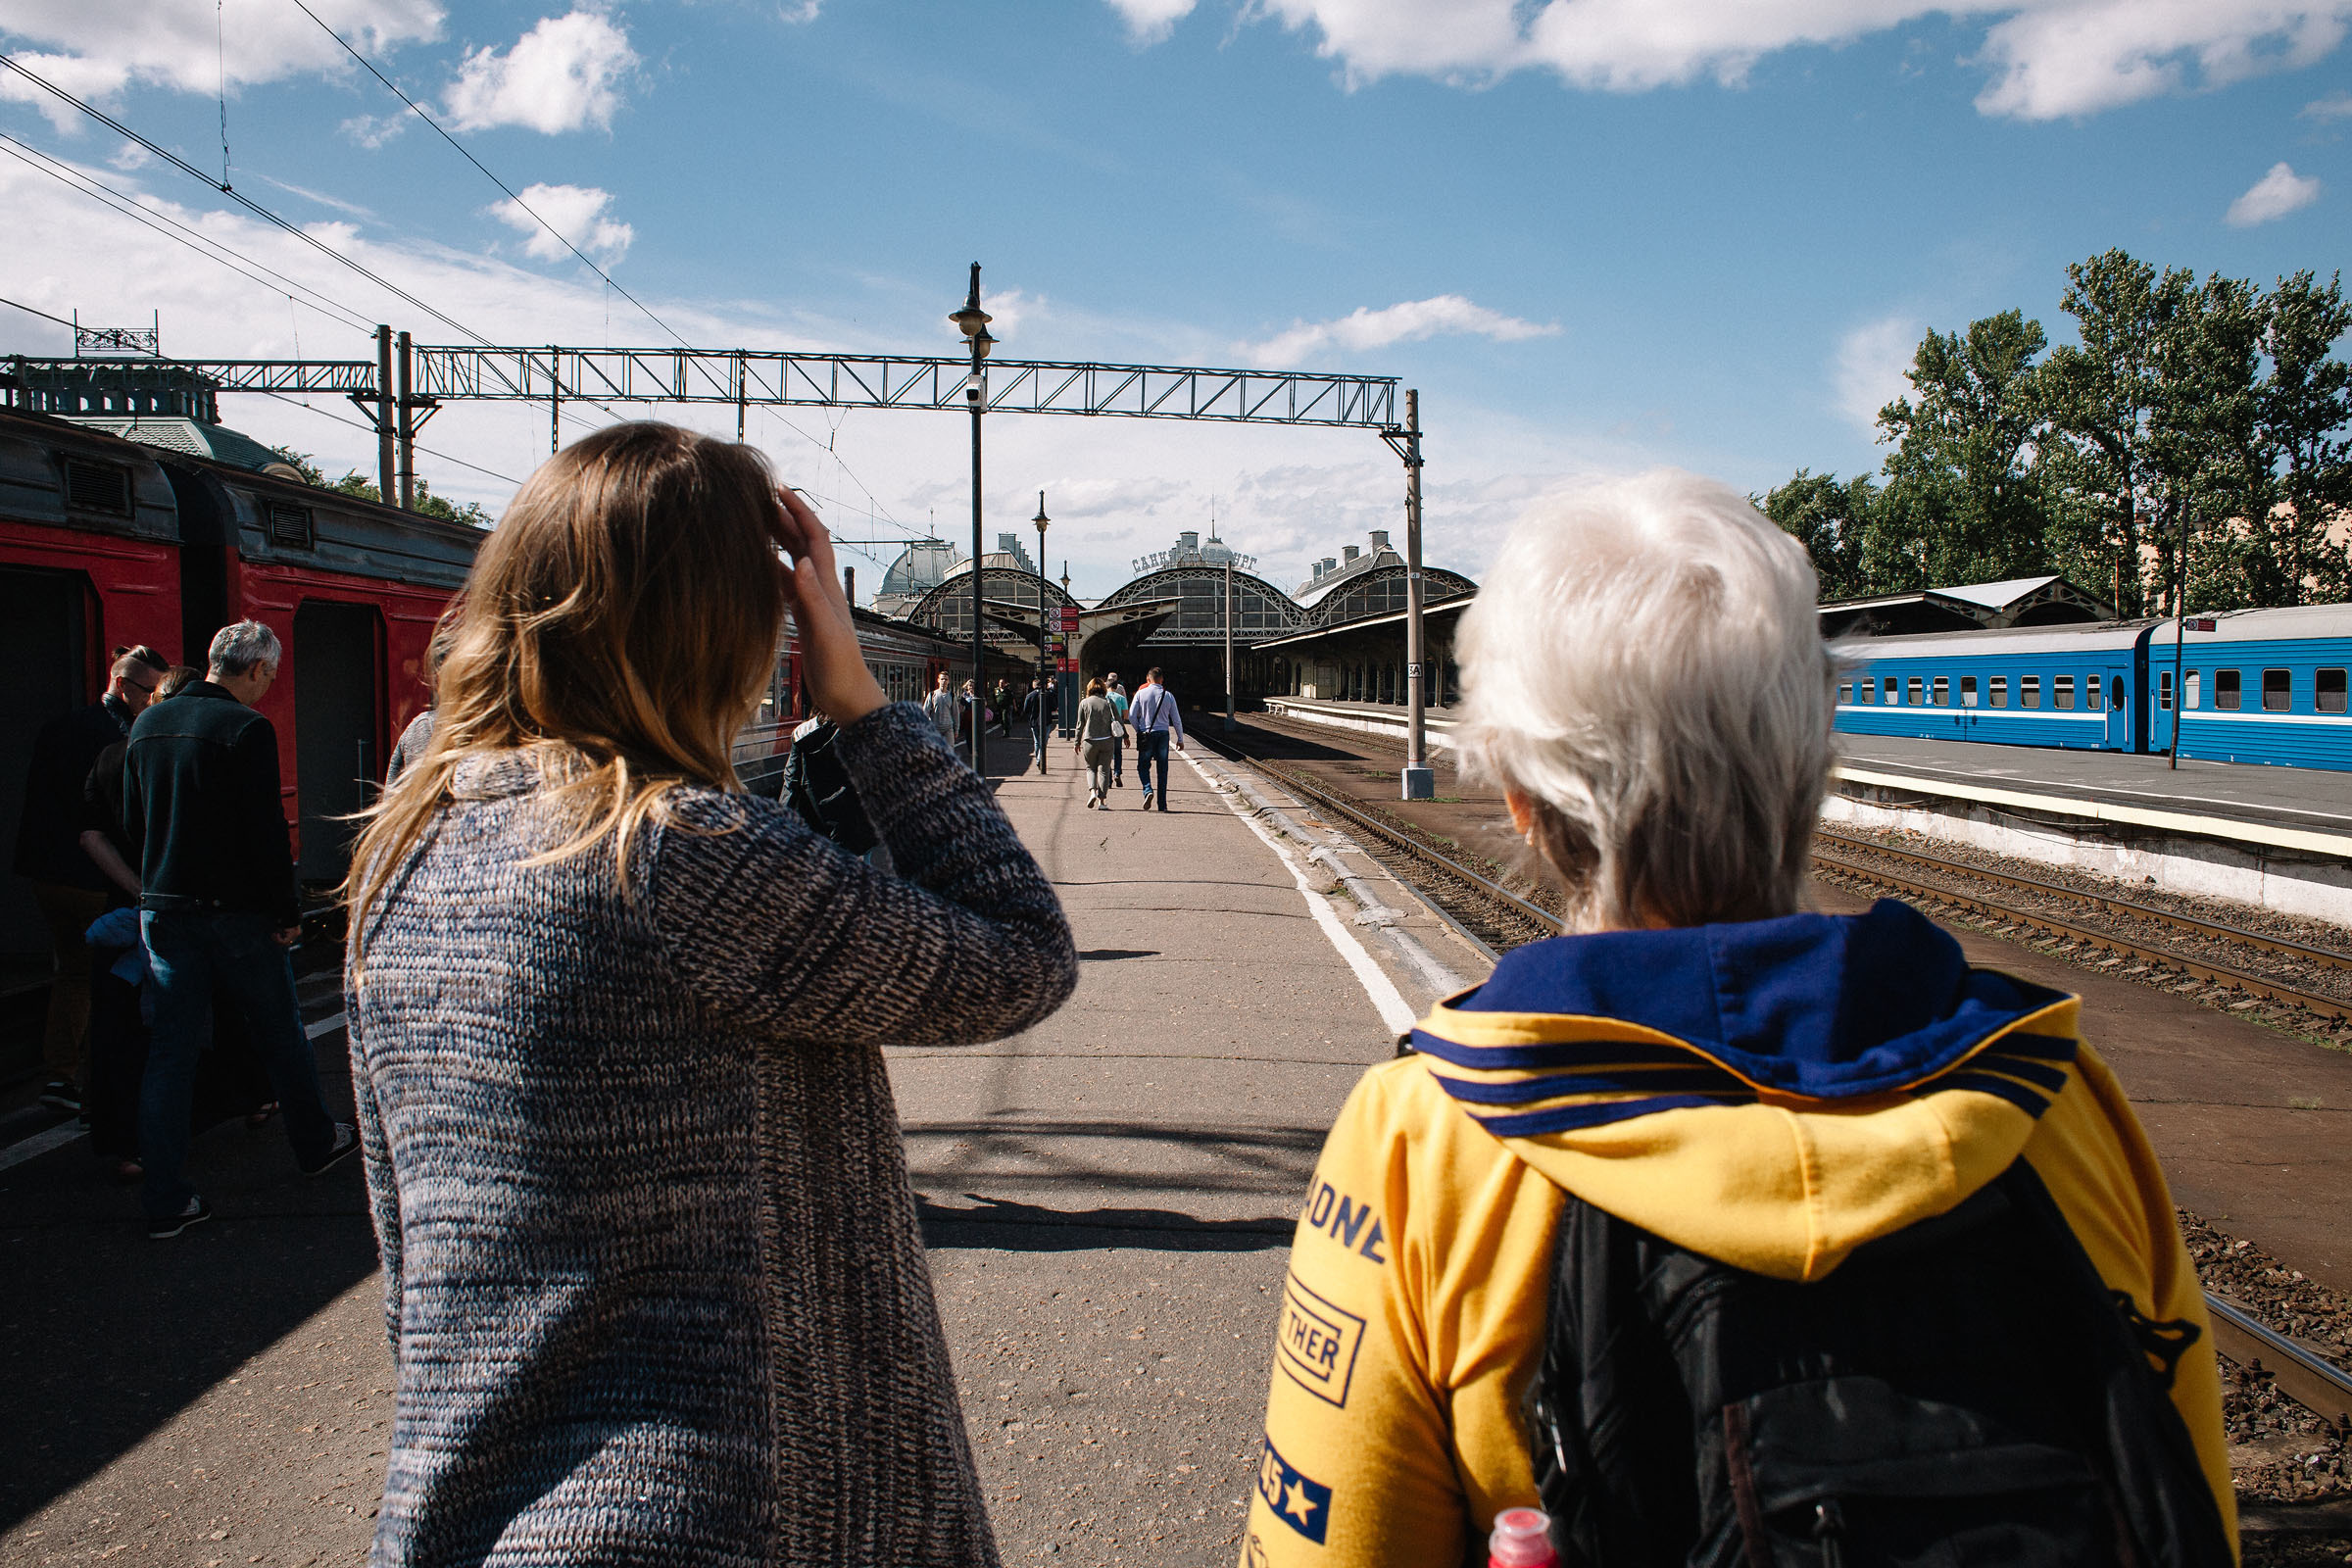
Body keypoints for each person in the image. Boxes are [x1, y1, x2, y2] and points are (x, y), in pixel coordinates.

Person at [1240, 471, 2234, 1568]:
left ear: (1522, 801)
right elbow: (2187, 1513)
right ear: (1818, 764)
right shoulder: (2057, 1096)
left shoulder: (1426, 1143)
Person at [341, 422, 1075, 1565]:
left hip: (467, 1516)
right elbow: (1022, 953)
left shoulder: (407, 846)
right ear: (720, 630)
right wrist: (871, 714)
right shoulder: (676, 850)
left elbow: (409, 1255)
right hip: (726, 1520)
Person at [122, 621, 356, 1239]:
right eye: (269, 677)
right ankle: (315, 1143)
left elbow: (131, 820)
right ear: (254, 670)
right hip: (237, 916)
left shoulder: (147, 724)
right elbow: (264, 834)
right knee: (280, 1034)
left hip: (165, 910)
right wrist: (286, 913)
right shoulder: (247, 730)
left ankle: (166, 1199)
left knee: (170, 1054)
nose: (268, 688)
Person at [13, 644, 169, 1113]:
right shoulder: (117, 738)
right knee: (108, 983)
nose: (152, 701)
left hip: (47, 873)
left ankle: (60, 1076)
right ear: (121, 685)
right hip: (94, 875)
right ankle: (101, 1088)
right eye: (148, 690)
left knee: (72, 973)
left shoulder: (64, 725)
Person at [1126, 666, 1182, 810]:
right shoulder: (1168, 695)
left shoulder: (1140, 694)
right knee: (1162, 770)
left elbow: (1131, 715)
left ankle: (1148, 790)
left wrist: (1139, 729)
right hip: (1163, 734)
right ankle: (1162, 805)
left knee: (1142, 766)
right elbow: (1176, 719)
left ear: (1148, 679)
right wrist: (1180, 738)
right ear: (1162, 679)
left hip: (1146, 734)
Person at [1073, 677, 1120, 808]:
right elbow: (1118, 720)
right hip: (1106, 741)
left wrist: (1076, 742)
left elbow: (1079, 724)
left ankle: (1092, 792)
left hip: (1089, 741)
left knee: (1090, 768)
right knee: (1104, 771)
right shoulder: (1109, 702)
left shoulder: (1084, 703)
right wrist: (1126, 736)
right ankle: (1102, 802)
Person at [923, 668, 961, 754]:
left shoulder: (952, 695)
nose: (944, 681)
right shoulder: (932, 695)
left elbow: (955, 713)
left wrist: (956, 729)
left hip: (948, 728)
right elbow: (925, 712)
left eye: (946, 679)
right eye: (942, 679)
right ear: (938, 680)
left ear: (948, 681)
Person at [1021, 676, 1054, 772]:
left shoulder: (1030, 696)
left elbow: (1025, 709)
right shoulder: (1048, 694)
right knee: (1044, 741)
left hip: (1034, 722)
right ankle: (1040, 759)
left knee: (1036, 741)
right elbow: (1054, 706)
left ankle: (1038, 758)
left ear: (1033, 686)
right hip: (1046, 721)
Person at [1105, 670, 1130, 789]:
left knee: (1107, 754)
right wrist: (1126, 734)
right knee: (1118, 752)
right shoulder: (1121, 698)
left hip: (1105, 729)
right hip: (1118, 727)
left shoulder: (1102, 698)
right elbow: (1126, 716)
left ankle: (1108, 779)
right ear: (1117, 687)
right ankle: (1117, 773)